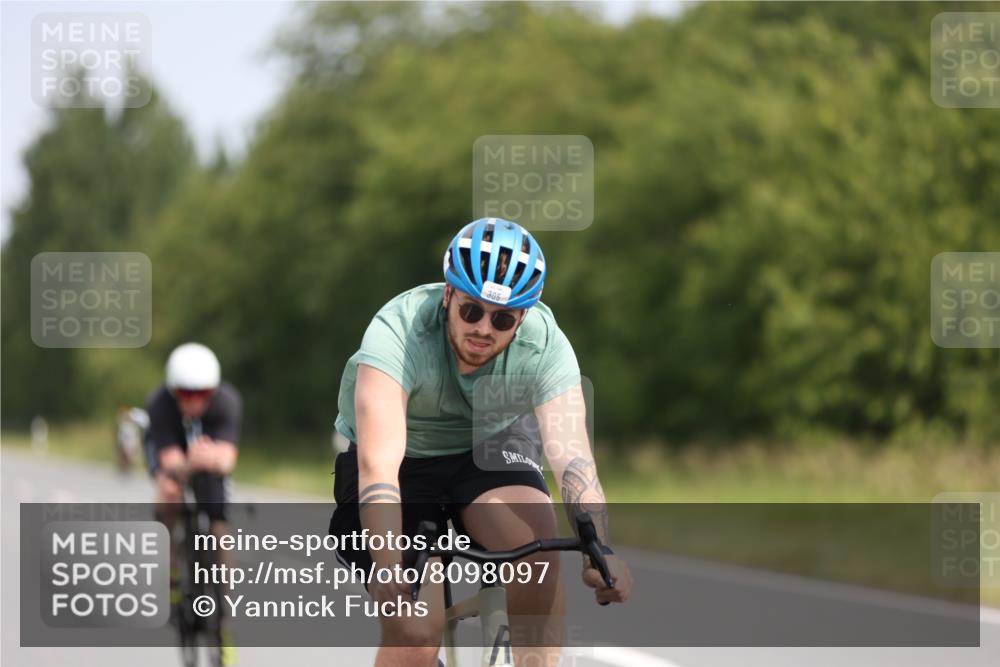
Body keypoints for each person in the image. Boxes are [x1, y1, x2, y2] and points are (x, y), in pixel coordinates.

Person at [328, 217, 633, 667]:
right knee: (413, 629)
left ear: (522, 318)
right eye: (471, 310)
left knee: (538, 554)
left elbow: (573, 459)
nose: (484, 330)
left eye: (503, 319)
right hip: (401, 460)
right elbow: (380, 467)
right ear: (448, 293)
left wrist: (600, 550)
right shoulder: (398, 331)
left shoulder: (545, 345)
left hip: (487, 446)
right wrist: (389, 563)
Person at [146, 342, 242, 665]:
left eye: (203, 394)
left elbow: (227, 460)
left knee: (218, 523)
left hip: (208, 464)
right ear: (174, 392)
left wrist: (209, 459)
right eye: (186, 394)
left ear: (213, 391)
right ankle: (171, 570)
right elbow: (169, 460)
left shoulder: (226, 402)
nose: (195, 401)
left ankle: (224, 615)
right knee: (170, 489)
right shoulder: (160, 405)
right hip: (175, 459)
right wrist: (189, 462)